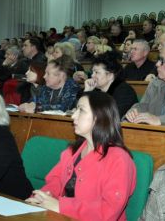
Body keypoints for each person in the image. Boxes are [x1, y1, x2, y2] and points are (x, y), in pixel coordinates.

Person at [26, 91, 136, 220]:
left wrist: (61, 206)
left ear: (100, 116)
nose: (73, 116)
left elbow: (109, 210)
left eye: (81, 110)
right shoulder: (71, 152)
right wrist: (43, 197)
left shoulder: (119, 159)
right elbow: (55, 181)